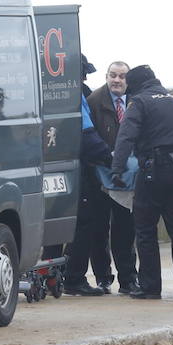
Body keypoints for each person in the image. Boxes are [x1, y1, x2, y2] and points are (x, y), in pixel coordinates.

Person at [111, 65, 173, 300]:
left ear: (135, 84)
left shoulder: (140, 102)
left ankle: (150, 286)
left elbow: (126, 136)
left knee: (145, 230)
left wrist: (117, 169)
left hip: (153, 173)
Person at [87, 61, 140, 294]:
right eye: (112, 75)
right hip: (98, 175)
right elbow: (88, 136)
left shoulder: (136, 101)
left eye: (121, 76)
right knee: (98, 228)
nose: (117, 80)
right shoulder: (94, 101)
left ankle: (128, 279)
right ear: (106, 76)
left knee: (126, 229)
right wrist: (109, 159)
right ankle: (103, 278)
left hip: (126, 177)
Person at [62, 54, 112, 296]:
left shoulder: (53, 91)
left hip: (54, 165)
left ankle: (51, 277)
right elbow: (87, 135)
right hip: (77, 168)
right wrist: (110, 157)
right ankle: (74, 278)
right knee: (83, 223)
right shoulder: (76, 94)